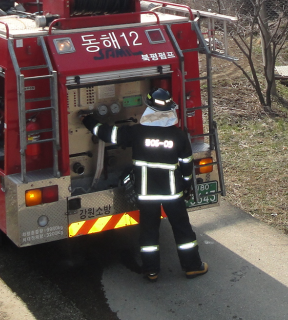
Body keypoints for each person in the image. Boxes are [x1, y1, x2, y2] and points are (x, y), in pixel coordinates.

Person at [81, 88, 209, 282]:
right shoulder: (178, 136)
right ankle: (192, 267)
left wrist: (87, 120)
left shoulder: (138, 133)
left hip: (146, 193)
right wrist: (186, 187)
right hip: (172, 193)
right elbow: (186, 165)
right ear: (170, 110)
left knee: (149, 232)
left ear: (149, 108)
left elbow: (109, 134)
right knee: (183, 230)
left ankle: (151, 271)